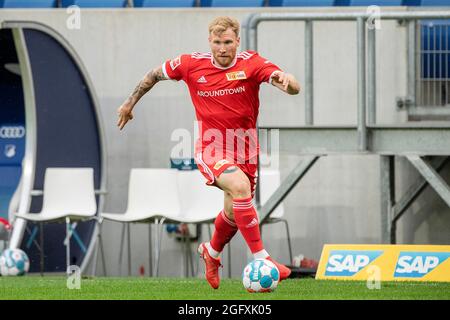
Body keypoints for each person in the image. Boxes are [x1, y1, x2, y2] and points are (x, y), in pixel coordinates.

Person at [117, 16, 300, 289]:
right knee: (239, 187)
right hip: (211, 147)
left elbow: (291, 86)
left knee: (233, 212)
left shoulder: (252, 63)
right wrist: (129, 103)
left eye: (228, 42)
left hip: (246, 149)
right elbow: (154, 75)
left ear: (237, 41)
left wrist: (288, 81)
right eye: (217, 42)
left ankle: (211, 253)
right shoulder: (191, 64)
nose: (222, 48)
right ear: (209, 41)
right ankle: (263, 258)